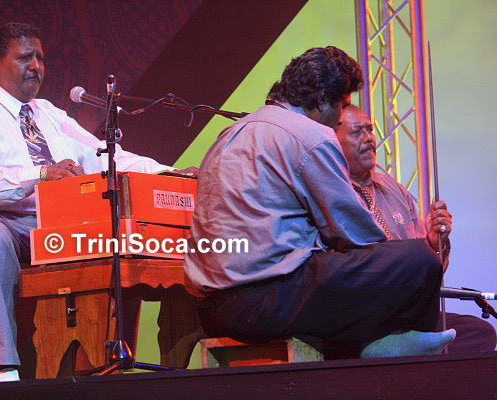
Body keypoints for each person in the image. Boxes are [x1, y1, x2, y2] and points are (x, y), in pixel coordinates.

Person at [0, 22, 192, 382]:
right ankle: (3, 368)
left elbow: (105, 156)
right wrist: (42, 174)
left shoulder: (47, 114)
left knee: (111, 234)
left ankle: (104, 363)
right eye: (25, 58)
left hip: (38, 223)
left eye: (40, 58)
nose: (36, 66)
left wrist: (169, 173)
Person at [184, 46, 455, 359]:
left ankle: (382, 343)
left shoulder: (232, 132)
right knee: (417, 261)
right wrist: (402, 259)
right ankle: (392, 345)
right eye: (342, 105)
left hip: (211, 308)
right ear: (323, 99)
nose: (339, 117)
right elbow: (357, 235)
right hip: (262, 301)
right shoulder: (311, 135)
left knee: (357, 270)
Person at [334, 105, 496, 353]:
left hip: (409, 312)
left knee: (479, 333)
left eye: (370, 130)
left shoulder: (393, 188)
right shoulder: (332, 189)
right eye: (357, 132)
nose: (368, 139)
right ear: (333, 142)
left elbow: (430, 270)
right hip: (367, 310)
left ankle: (400, 352)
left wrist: (435, 241)